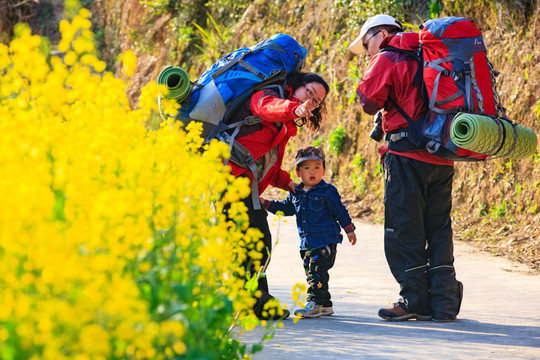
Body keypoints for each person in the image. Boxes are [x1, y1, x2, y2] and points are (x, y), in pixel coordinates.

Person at [348, 15, 463, 322]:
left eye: (366, 43)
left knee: (403, 230)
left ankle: (413, 298)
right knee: (439, 228)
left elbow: (368, 101)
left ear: (382, 33)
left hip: (406, 155)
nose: (367, 51)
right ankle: (444, 302)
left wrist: (373, 76)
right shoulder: (433, 55)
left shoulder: (389, 56)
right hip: (443, 155)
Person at [226, 71, 330, 320]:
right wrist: (294, 110)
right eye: (310, 93)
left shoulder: (283, 127)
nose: (311, 102)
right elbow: (266, 107)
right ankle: (251, 304)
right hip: (226, 182)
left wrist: (289, 184)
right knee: (246, 247)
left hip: (247, 188)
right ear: (296, 86)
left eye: (316, 101)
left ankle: (253, 303)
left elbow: (266, 165)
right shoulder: (267, 97)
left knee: (260, 246)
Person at [260, 146, 357, 318]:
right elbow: (286, 208)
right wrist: (267, 204)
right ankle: (325, 304)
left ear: (324, 170)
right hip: (307, 244)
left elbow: (340, 211)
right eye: (307, 168)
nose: (312, 171)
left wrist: (349, 230)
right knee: (315, 272)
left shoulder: (327, 191)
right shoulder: (296, 193)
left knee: (315, 272)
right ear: (298, 172)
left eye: (317, 167)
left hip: (325, 242)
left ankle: (314, 303)